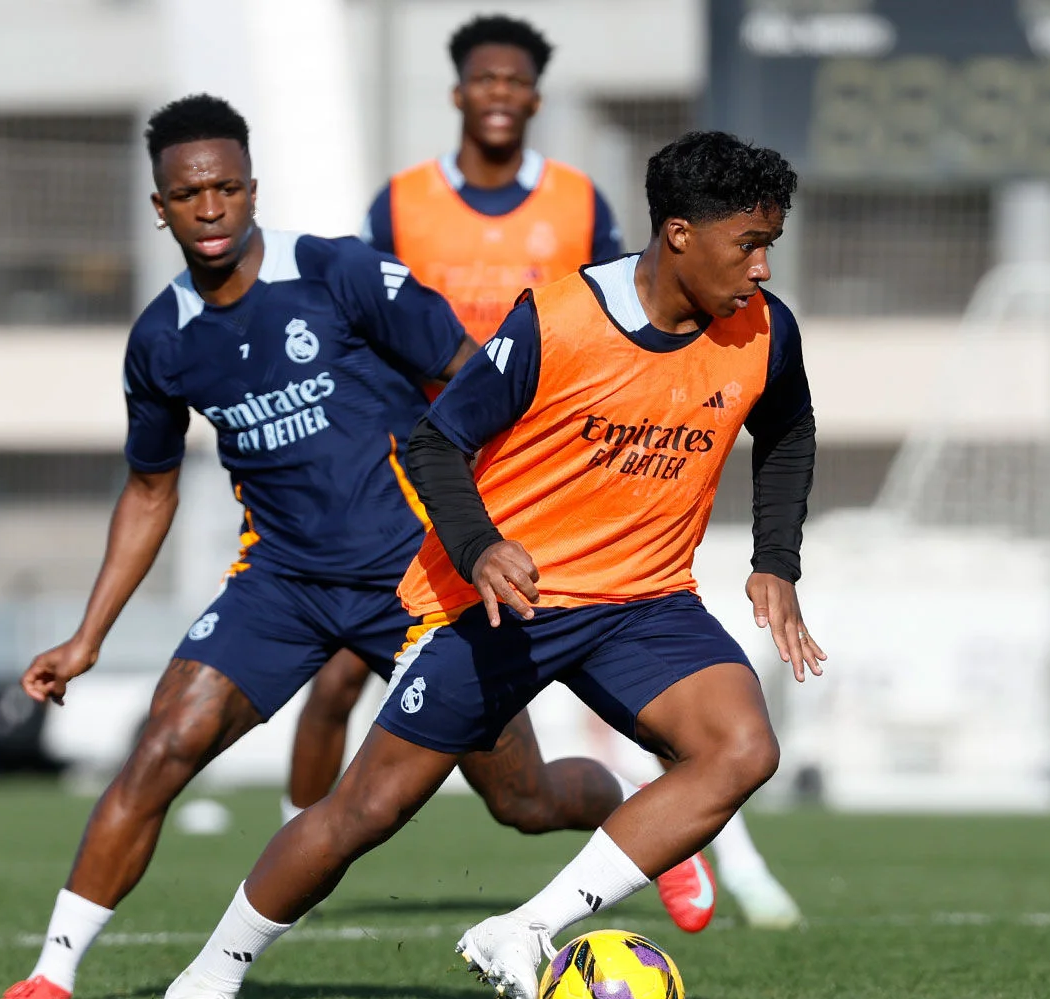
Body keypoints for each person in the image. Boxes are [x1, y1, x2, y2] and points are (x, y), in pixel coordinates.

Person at [0, 94, 704, 999]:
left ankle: (651, 818)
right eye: (188, 194)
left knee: (521, 799)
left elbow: (477, 381)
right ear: (159, 205)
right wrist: (86, 637)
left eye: (228, 188)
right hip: (279, 585)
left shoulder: (338, 273)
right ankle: (52, 978)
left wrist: (500, 530)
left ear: (250, 189)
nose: (210, 208)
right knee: (163, 745)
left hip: (416, 585)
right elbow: (150, 490)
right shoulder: (162, 340)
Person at [158, 130, 822, 999]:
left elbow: (788, 427)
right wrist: (478, 550)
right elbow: (434, 442)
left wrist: (775, 561)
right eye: (747, 244)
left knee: (742, 747)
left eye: (769, 247)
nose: (760, 267)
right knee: (365, 815)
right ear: (678, 234)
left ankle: (528, 927)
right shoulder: (557, 319)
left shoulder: (764, 329)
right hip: (503, 602)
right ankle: (208, 978)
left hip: (643, 604)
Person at [299, 11, 801, 931]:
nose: (499, 96)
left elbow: (630, 316)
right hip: (440, 479)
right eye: (482, 80)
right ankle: (294, 866)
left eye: (515, 81)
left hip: (561, 493)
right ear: (458, 94)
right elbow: (372, 323)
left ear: (534, 96)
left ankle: (723, 855)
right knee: (390, 714)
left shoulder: (575, 202)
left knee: (704, 734)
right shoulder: (402, 203)